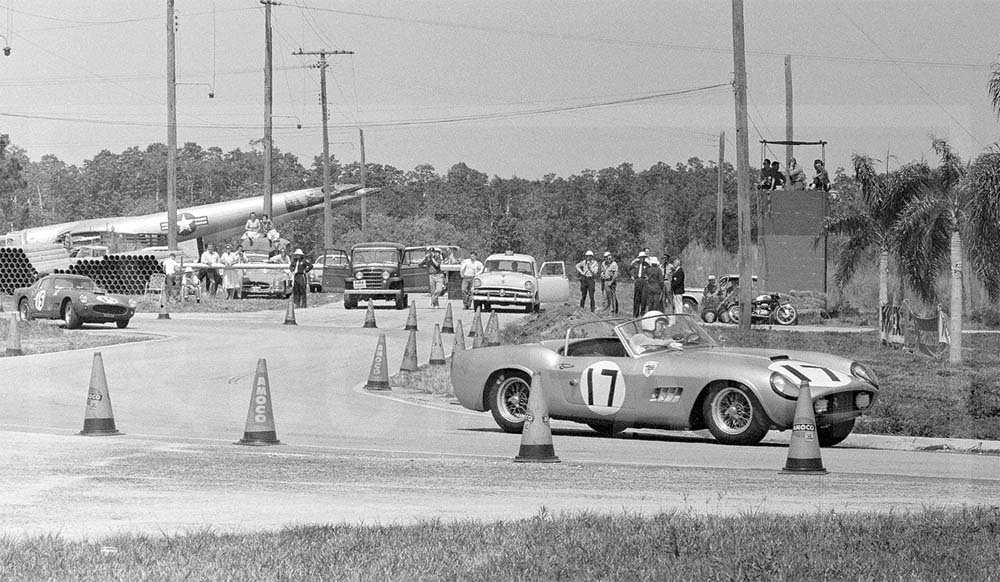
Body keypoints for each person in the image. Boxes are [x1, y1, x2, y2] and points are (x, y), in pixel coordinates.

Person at [629, 250, 650, 317]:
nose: (643, 258)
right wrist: (632, 276)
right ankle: (635, 314)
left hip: (644, 281)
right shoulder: (635, 263)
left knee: (644, 297)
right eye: (641, 257)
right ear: (639, 257)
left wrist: (648, 277)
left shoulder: (647, 264)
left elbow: (650, 272)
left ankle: (642, 313)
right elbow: (629, 269)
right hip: (637, 280)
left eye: (644, 257)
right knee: (636, 298)